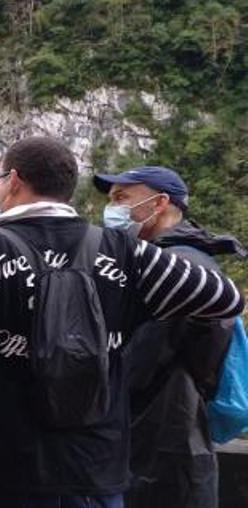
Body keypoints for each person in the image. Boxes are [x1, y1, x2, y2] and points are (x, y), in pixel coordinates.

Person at [0, 137, 244, 508]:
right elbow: (225, 298)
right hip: (92, 476)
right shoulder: (124, 253)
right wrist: (125, 315)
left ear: (13, 180)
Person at [94, 166, 246, 508]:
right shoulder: (187, 261)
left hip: (163, 448)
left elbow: (136, 365)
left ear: (159, 202)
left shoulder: (180, 270)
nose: (113, 209)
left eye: (122, 198)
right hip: (169, 442)